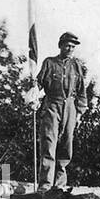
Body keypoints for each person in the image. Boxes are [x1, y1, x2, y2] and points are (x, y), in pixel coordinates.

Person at [37, 31, 88, 190]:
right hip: (52, 103)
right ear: (60, 46)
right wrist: (32, 95)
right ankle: (45, 185)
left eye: (73, 46)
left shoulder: (77, 66)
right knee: (49, 144)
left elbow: (81, 92)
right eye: (67, 45)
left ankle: (59, 186)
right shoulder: (49, 63)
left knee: (66, 146)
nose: (70, 48)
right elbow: (38, 83)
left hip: (70, 107)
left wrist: (79, 113)